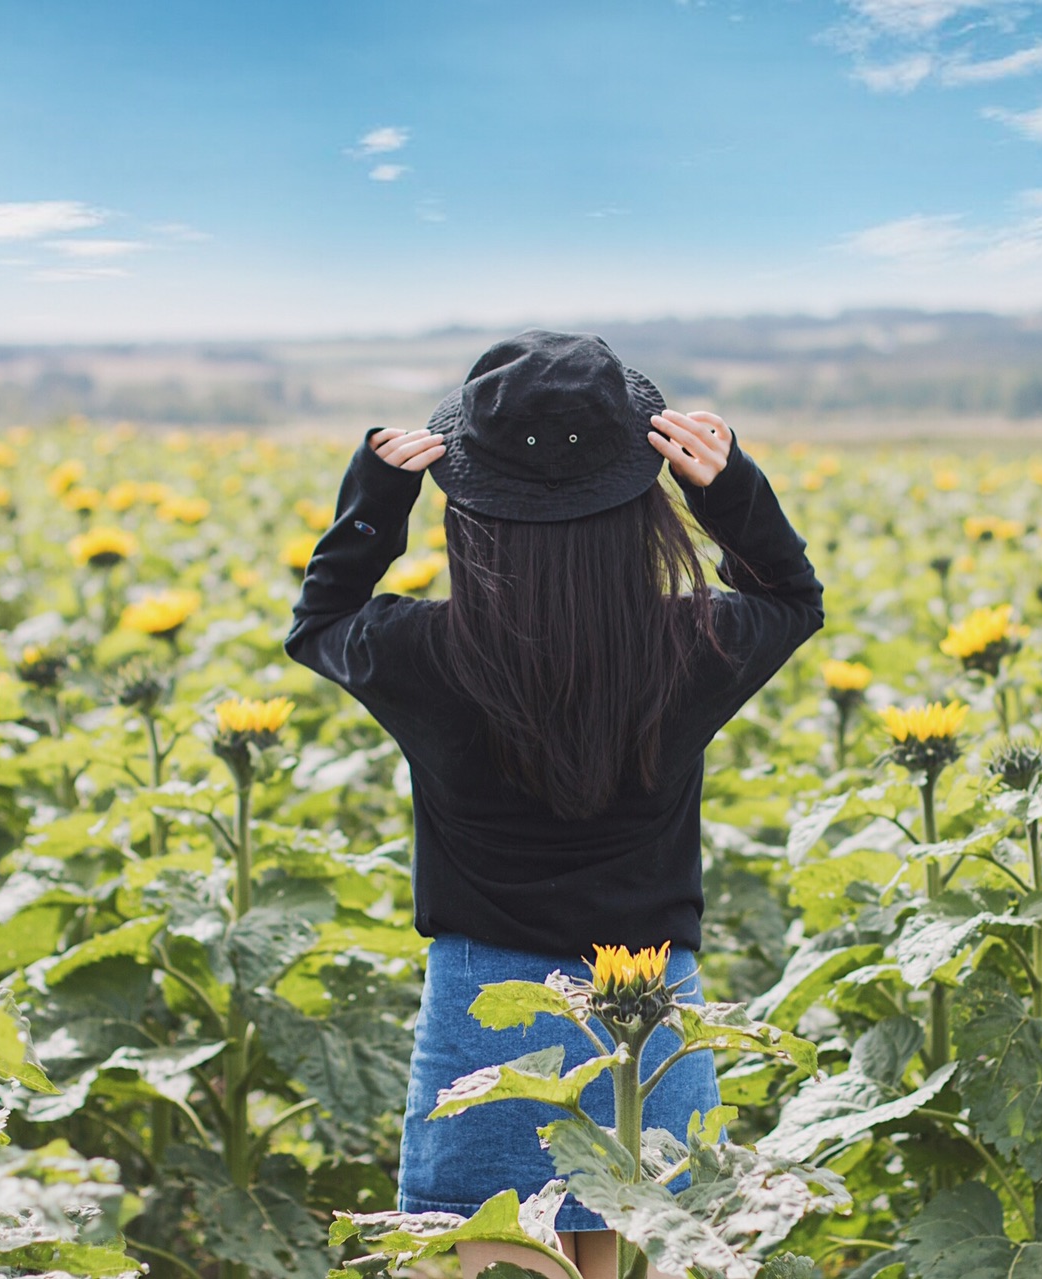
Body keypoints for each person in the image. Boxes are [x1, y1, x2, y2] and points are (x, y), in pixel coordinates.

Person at [284, 329, 824, 1279]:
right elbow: (791, 597)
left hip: (481, 1013)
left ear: (471, 511)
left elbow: (320, 620)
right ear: (640, 507)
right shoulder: (695, 644)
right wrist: (729, 489)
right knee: (644, 1251)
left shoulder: (423, 654)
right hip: (651, 1016)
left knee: (491, 1254)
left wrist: (374, 500)